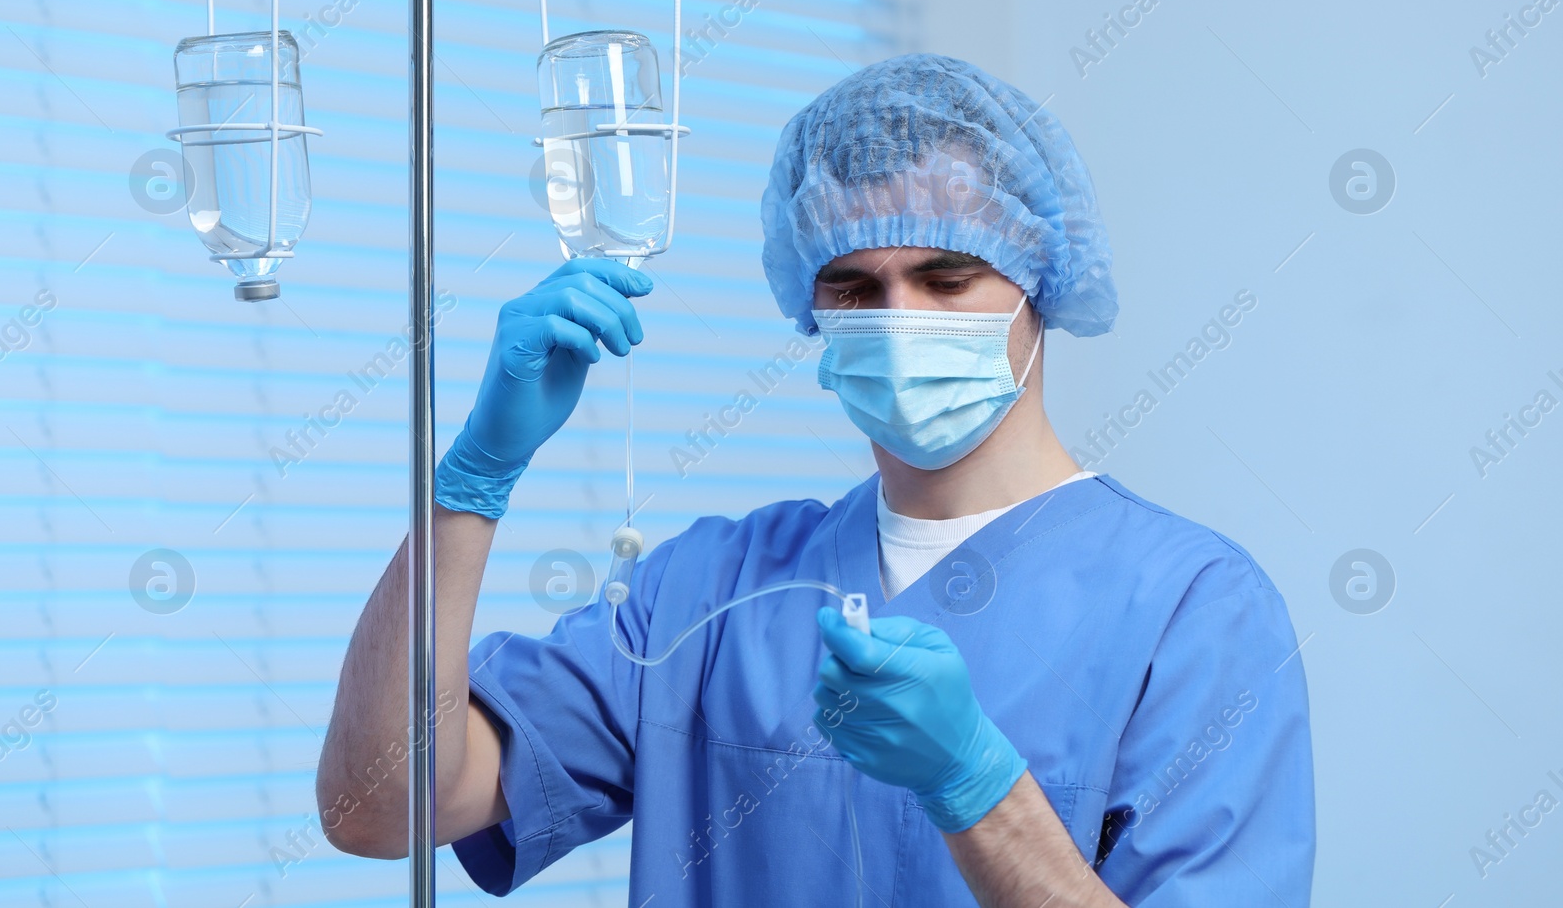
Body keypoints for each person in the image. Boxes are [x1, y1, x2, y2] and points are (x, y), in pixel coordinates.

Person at [316, 53, 1316, 907]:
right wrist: (475, 476)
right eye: (851, 284)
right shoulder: (707, 591)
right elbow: (376, 805)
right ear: (809, 309)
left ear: (1038, 280)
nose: (898, 313)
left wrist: (976, 785)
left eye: (944, 275)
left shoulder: (1193, 610)